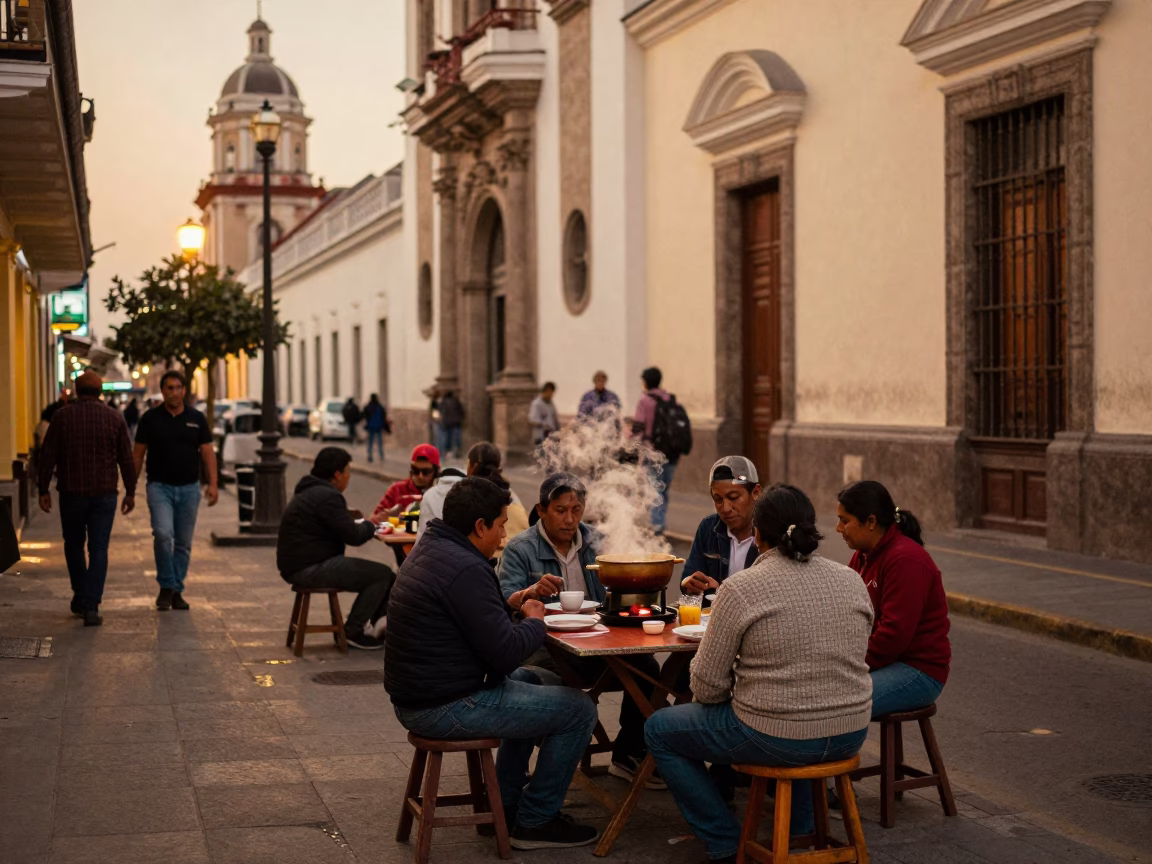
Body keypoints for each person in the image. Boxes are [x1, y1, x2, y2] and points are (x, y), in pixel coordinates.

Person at [645, 484, 874, 863]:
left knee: (659, 730)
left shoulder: (742, 588)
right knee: (798, 721)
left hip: (779, 736)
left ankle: (724, 840)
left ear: (757, 535)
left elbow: (705, 686)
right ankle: (799, 834)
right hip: (851, 730)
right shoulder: (850, 579)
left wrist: (740, 689)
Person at [385, 477, 601, 850]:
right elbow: (502, 653)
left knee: (534, 680)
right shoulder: (467, 567)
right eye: (501, 523)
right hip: (443, 705)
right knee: (579, 710)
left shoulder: (436, 548)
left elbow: (479, 624)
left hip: (423, 695)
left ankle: (504, 805)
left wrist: (515, 602)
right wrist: (534, 620)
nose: (504, 534)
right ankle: (536, 821)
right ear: (480, 526)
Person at [499, 473, 663, 787]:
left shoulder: (596, 541)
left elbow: (620, 593)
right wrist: (530, 593)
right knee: (524, 680)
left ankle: (628, 755)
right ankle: (511, 781)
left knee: (647, 668)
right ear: (542, 510)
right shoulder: (521, 548)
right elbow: (507, 600)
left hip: (597, 646)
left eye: (576, 510)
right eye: (560, 510)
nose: (570, 519)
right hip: (546, 650)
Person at [836, 480, 951, 717]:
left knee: (836, 702)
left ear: (870, 522)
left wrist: (850, 666)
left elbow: (893, 636)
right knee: (815, 691)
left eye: (844, 521)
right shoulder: (862, 556)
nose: (838, 528)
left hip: (918, 671)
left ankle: (838, 754)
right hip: (882, 663)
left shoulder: (905, 560)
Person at [36, 371, 137, 627]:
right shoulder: (114, 417)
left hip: (72, 494)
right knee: (99, 549)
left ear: (76, 391)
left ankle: (81, 595)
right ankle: (91, 603)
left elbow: (48, 455)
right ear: (100, 392)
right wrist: (131, 491)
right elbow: (126, 458)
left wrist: (43, 488)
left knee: (73, 545)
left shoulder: (62, 417)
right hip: (104, 495)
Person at [277, 447, 395, 650]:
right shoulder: (327, 496)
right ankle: (354, 631)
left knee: (381, 574)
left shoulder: (311, 491)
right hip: (311, 568)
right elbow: (354, 536)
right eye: (348, 472)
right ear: (337, 474)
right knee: (382, 574)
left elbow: (336, 524)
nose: (348, 478)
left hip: (299, 565)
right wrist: (371, 522)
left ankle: (371, 627)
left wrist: (353, 519)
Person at [132, 370, 218, 610]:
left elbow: (208, 452)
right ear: (163, 391)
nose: (174, 392)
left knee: (183, 543)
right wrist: (130, 489)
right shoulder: (150, 419)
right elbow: (137, 455)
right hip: (159, 488)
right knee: (162, 534)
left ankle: (175, 590)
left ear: (184, 390)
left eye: (178, 387)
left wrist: (213, 484)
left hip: (189, 489)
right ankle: (166, 585)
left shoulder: (197, 418)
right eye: (169, 388)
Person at [680, 456, 763, 600]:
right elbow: (689, 578)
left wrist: (721, 594)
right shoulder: (708, 528)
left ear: (755, 492)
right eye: (718, 500)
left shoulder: (770, 533)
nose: (725, 508)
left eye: (733, 497)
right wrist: (688, 584)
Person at [416, 442, 529, 546]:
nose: (503, 533)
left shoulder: (460, 497)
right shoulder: (511, 498)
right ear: (499, 468)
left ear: (472, 466)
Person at [630, 366, 691, 535]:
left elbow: (638, 427)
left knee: (655, 489)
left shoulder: (645, 400)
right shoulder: (671, 399)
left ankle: (657, 525)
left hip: (653, 452)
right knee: (663, 489)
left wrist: (628, 443)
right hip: (672, 453)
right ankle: (660, 522)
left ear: (646, 382)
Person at [372, 444, 440, 518]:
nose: (420, 476)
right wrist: (388, 515)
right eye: (416, 470)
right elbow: (374, 521)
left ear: (435, 472)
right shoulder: (397, 489)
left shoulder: (442, 493)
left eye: (426, 472)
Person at [362, 394, 389, 463]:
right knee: (379, 442)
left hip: (371, 426)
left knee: (370, 442)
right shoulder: (379, 407)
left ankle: (370, 456)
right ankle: (381, 455)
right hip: (378, 427)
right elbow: (383, 416)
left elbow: (364, 415)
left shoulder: (368, 406)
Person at [438, 390, 465, 459]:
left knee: (448, 439)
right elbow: (461, 411)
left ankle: (448, 452)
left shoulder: (443, 402)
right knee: (456, 439)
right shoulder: (455, 401)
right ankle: (457, 451)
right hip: (455, 423)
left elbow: (441, 411)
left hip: (448, 423)